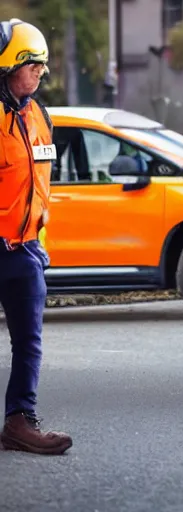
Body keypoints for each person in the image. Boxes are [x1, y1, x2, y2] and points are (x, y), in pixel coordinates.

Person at [0, 18, 73, 453]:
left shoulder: (39, 114)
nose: (40, 72)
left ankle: (19, 422)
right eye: (33, 64)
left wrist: (36, 239)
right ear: (7, 66)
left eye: (43, 65)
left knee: (29, 343)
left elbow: (40, 183)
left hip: (24, 252)